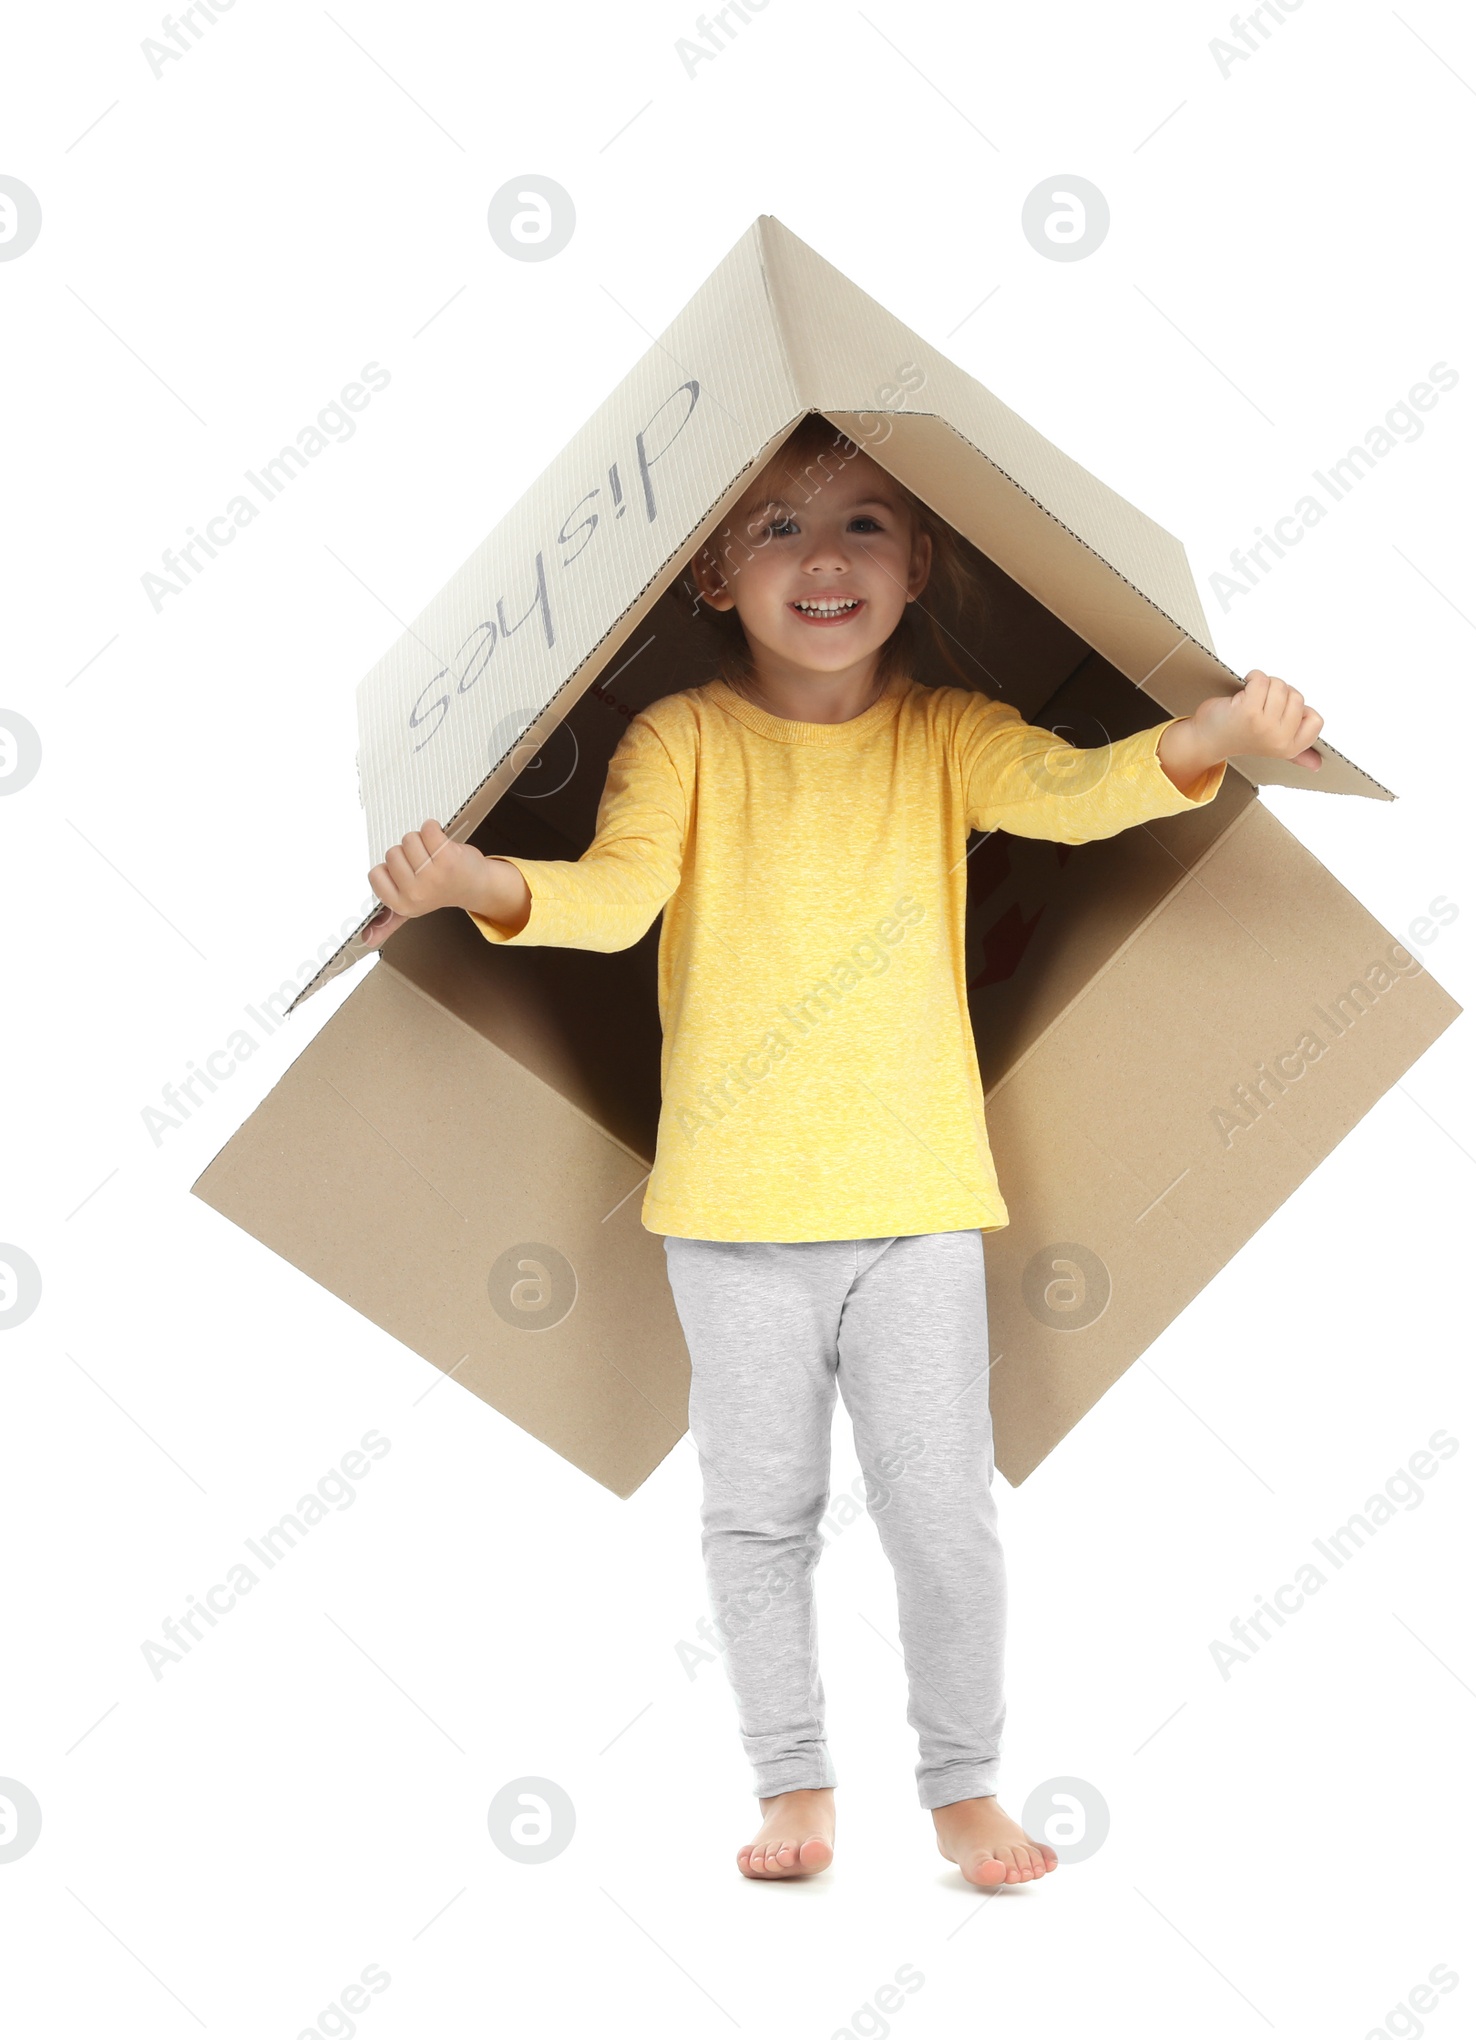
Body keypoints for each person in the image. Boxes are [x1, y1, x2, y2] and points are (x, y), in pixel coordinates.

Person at [362, 414, 1324, 1886]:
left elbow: (1074, 798)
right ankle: (793, 1784)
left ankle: (960, 1785)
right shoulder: (681, 740)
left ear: (919, 558)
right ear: (710, 578)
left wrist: (1217, 738)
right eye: (778, 527)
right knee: (761, 1519)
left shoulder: (944, 736)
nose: (824, 558)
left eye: (865, 522)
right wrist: (473, 880)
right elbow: (617, 904)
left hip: (917, 1207)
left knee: (944, 1516)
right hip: (732, 1219)